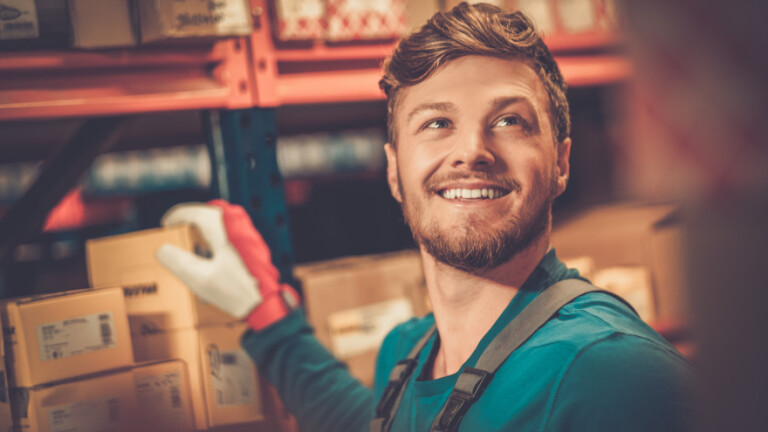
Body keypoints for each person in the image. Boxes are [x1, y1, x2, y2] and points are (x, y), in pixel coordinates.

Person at [156, 3, 693, 431]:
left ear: (561, 163)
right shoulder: (409, 353)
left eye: (508, 120)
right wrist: (267, 315)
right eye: (436, 123)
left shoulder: (610, 375)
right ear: (394, 171)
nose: (471, 151)